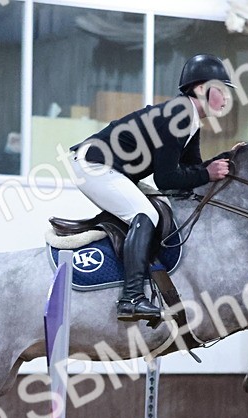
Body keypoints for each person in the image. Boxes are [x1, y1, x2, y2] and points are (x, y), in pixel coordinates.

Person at [70, 54, 234, 321]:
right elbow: (167, 179)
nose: (226, 98)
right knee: (146, 215)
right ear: (201, 88)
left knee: (152, 211)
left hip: (108, 167)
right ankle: (131, 298)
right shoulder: (178, 115)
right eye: (222, 89)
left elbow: (192, 170)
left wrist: (223, 162)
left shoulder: (189, 120)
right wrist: (207, 172)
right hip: (94, 165)